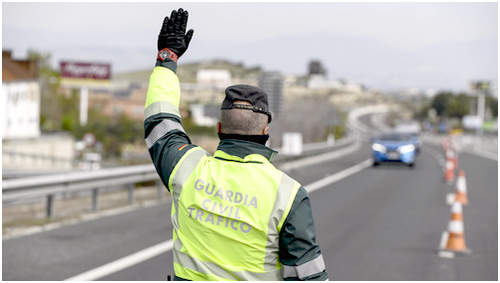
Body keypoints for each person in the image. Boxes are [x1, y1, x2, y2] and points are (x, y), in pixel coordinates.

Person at [144, 8, 329, 281]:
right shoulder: (288, 195)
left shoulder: (186, 168)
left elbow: (160, 120)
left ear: (219, 128)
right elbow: (309, 277)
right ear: (266, 130)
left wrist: (167, 59)